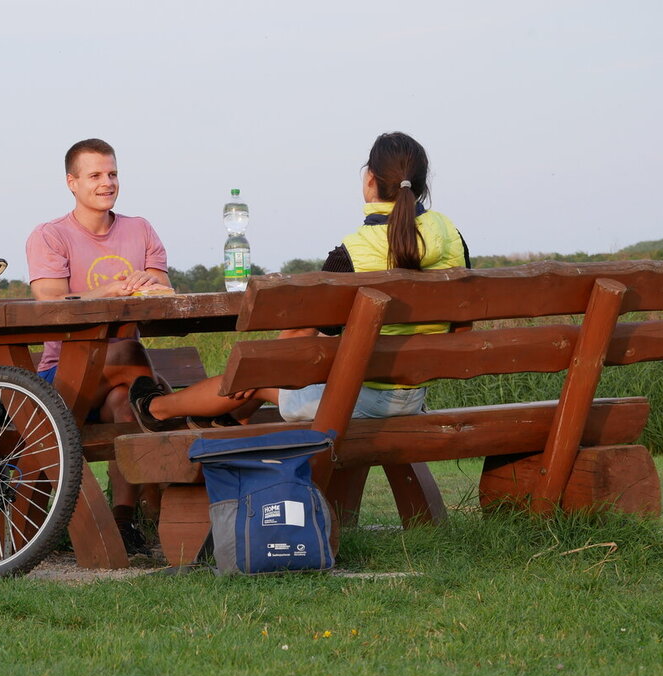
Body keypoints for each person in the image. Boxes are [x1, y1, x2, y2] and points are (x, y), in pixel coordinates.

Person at [129, 131, 470, 430]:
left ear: (370, 179)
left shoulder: (353, 252)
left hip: (360, 400)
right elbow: (461, 321)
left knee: (258, 375)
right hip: (414, 394)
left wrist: (260, 368)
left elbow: (302, 331)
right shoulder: (451, 235)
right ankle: (223, 422)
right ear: (422, 183)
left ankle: (156, 409)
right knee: (264, 371)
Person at [26, 138, 173, 554]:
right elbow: (49, 301)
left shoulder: (140, 229)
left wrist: (149, 283)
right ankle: (169, 414)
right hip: (64, 378)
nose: (106, 183)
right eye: (95, 175)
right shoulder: (50, 235)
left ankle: (123, 522)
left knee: (127, 403)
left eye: (112, 174)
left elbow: (164, 287)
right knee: (128, 354)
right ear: (72, 182)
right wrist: (106, 292)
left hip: (120, 382)